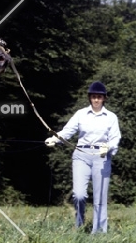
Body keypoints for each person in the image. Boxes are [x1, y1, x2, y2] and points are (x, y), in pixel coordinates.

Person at [45, 81, 121, 233]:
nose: (96, 100)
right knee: (79, 194)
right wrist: (55, 138)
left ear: (104, 98)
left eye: (99, 97)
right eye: (93, 97)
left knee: (99, 198)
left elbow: (115, 138)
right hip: (81, 155)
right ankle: (79, 224)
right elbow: (68, 131)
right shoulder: (80, 114)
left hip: (102, 156)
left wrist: (109, 147)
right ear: (90, 98)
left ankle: (99, 232)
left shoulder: (111, 117)